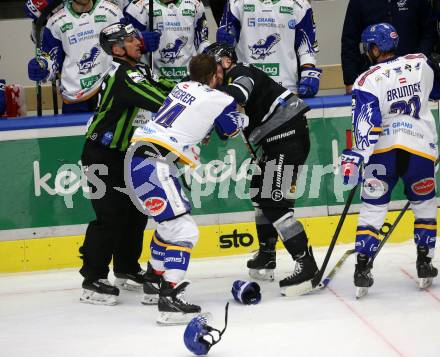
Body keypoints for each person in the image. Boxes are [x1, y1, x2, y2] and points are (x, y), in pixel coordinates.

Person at [127, 53, 248, 324]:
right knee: (185, 230)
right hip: (155, 163)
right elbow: (229, 131)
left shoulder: (181, 87)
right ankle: (169, 297)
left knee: (168, 225)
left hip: (137, 159)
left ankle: (152, 280)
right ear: (215, 76)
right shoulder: (221, 98)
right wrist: (242, 118)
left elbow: (191, 118)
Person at [204, 42, 319, 296]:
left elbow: (239, 94)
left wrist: (207, 97)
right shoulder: (231, 78)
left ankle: (306, 263)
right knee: (259, 192)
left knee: (272, 200)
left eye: (214, 68)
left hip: (288, 138)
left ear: (225, 61)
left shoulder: (239, 72)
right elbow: (229, 127)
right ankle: (267, 254)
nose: (214, 76)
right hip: (279, 140)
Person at [340, 23, 439, 298]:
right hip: (418, 150)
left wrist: (355, 157)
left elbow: (366, 127)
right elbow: (437, 90)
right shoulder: (421, 63)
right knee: (425, 205)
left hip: (382, 154)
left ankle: (362, 267)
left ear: (374, 48)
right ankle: (424, 262)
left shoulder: (366, 79)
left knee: (373, 209)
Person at [79, 22, 174, 305]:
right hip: (100, 154)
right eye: (130, 39)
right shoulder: (126, 74)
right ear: (117, 48)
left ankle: (126, 268)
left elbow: (166, 86)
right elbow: (162, 99)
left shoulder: (139, 71)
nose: (137, 41)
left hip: (123, 154)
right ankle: (92, 278)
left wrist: (194, 89)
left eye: (136, 37)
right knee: (109, 216)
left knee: (135, 213)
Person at [26, 0, 161, 114]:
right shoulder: (55, 22)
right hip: (75, 98)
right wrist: (41, 67)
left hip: (110, 90)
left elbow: (128, 43)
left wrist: (142, 42)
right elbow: (51, 61)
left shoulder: (111, 10)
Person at [216, 0, 320, 98]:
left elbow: (306, 46)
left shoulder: (300, 4)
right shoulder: (236, 3)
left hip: (286, 89)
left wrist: (308, 71)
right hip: (245, 87)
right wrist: (224, 46)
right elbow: (225, 47)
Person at [341, 0, 436, 94]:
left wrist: (419, 61)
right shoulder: (358, 2)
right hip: (374, 80)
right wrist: (350, 81)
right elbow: (349, 42)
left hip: (414, 75)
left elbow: (429, 32)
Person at [124, 0, 210, 81]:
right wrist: (141, 40)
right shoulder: (137, 7)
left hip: (189, 79)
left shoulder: (195, 3)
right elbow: (123, 45)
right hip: (154, 79)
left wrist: (209, 53)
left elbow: (202, 40)